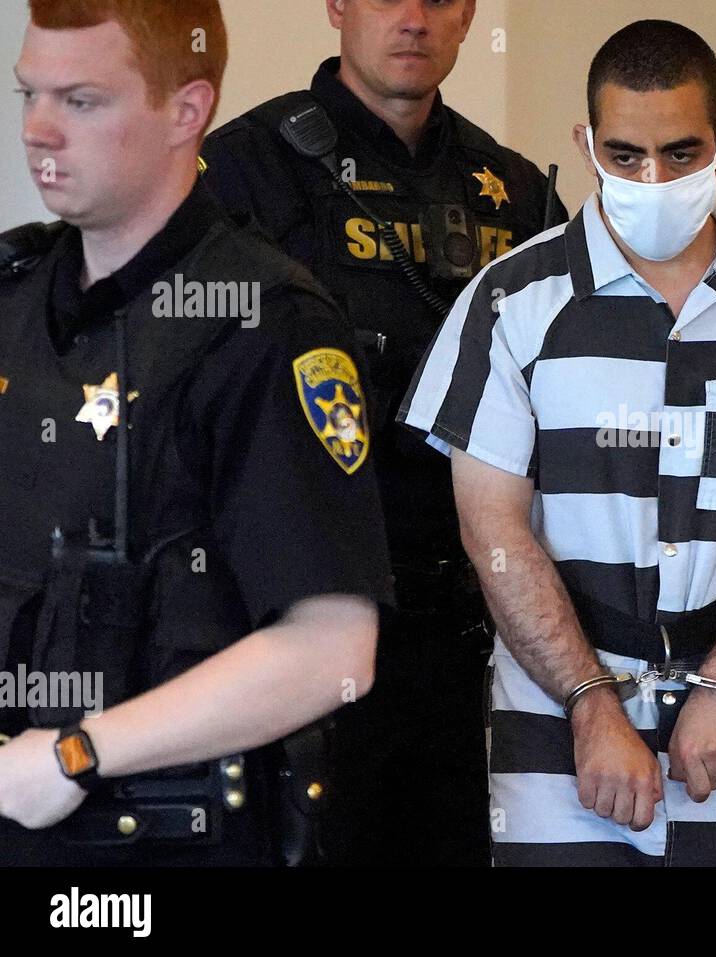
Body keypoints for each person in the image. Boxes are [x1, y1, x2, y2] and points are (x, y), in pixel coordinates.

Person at [399, 19, 716, 866]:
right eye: (625, 154)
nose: (653, 177)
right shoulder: (510, 303)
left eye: (680, 151)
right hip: (555, 740)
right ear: (587, 145)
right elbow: (494, 532)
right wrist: (592, 703)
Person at [0, 0, 392, 865]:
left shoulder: (264, 325)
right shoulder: (15, 297)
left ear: (188, 111)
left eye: (82, 100)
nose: (39, 131)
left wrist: (78, 752)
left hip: (169, 841)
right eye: (30, 94)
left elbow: (334, 650)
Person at [199, 0, 563, 866]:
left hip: (469, 629)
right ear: (335, 5)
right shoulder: (245, 169)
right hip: (304, 619)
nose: (412, 18)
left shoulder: (517, 191)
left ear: (469, 14)